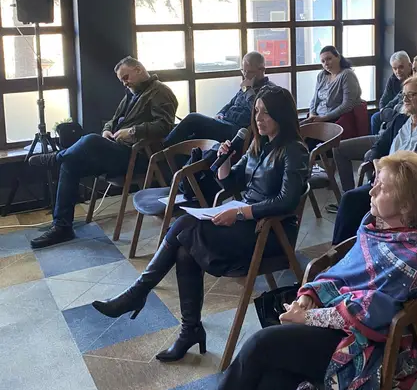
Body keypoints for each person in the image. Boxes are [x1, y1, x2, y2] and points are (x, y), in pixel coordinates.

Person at [150, 151, 417, 390]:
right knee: (276, 375)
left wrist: (305, 318)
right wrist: (309, 296)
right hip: (340, 325)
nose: (372, 190)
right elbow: (343, 275)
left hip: (367, 346)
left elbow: (368, 313)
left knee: (263, 344)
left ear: (407, 205)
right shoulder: (377, 228)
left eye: (382, 187)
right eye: (375, 182)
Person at [92, 85, 309, 361]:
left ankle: (139, 293)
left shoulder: (294, 150)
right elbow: (231, 183)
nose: (258, 118)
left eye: (266, 113)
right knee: (184, 249)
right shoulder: (258, 145)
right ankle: (189, 329)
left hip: (271, 233)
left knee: (184, 226)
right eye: (256, 111)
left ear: (281, 115)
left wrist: (241, 213)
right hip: (246, 223)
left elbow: (286, 201)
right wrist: (224, 161)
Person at [28, 57, 177, 249]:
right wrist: (107, 130)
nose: (125, 83)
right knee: (70, 164)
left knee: (91, 140)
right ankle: (62, 226)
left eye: (126, 77)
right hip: (118, 151)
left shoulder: (160, 92)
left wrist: (133, 131)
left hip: (139, 157)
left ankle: (56, 157)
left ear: (139, 70)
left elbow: (165, 126)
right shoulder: (132, 94)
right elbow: (113, 120)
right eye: (122, 80)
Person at [332, 75, 417, 244]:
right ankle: (341, 250)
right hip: (384, 182)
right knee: (350, 200)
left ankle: (362, 247)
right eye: (404, 95)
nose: (405, 99)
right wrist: (376, 164)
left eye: (411, 95)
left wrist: (395, 175)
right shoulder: (400, 120)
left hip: (408, 188)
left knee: (359, 203)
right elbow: (378, 147)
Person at [164, 51, 273, 146]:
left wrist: (249, 91)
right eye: (243, 71)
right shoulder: (246, 86)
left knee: (192, 118)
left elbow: (256, 111)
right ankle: (170, 159)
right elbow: (230, 104)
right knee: (192, 138)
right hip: (224, 123)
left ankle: (162, 148)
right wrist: (220, 113)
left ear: (262, 70)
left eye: (250, 72)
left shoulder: (269, 90)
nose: (246, 75)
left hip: (237, 130)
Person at [306, 45, 362, 123]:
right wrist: (312, 114)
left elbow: (347, 105)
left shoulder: (347, 74)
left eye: (329, 59)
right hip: (318, 117)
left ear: (338, 57)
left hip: (336, 119)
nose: (326, 64)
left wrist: (324, 118)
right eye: (323, 61)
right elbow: (314, 99)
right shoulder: (321, 75)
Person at [370, 51, 412, 134]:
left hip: (406, 112)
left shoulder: (415, 80)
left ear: (410, 65)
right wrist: (384, 112)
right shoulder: (392, 79)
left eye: (401, 67)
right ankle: (377, 140)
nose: (398, 71)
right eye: (395, 68)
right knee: (375, 118)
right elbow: (383, 100)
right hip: (392, 110)